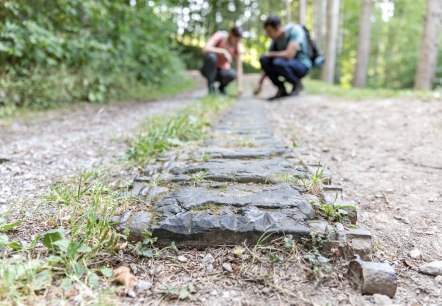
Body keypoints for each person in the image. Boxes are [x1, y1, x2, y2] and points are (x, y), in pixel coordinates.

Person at [254, 15, 312, 101]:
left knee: (277, 62)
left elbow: (289, 54)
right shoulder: (275, 40)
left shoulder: (294, 31)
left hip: (302, 65)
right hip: (284, 64)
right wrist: (260, 83)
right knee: (264, 59)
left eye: (269, 31)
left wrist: (271, 54)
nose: (268, 34)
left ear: (277, 27)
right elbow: (266, 63)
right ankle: (281, 89)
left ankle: (297, 84)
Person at [201, 26, 243, 95]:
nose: (236, 43)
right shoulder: (220, 36)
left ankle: (222, 87)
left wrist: (239, 87)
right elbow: (205, 49)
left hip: (222, 71)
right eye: (235, 40)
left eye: (238, 40)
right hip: (210, 69)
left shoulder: (237, 47)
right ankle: (211, 88)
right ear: (230, 34)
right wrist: (223, 51)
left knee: (232, 74)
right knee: (211, 57)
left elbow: (239, 68)